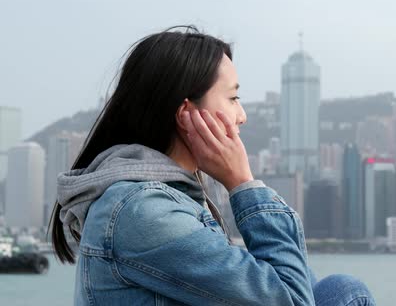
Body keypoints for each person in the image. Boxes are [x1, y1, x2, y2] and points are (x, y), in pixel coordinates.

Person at [49, 25, 376, 306]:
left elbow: (295, 286)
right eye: (233, 98)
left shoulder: (160, 199)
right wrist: (243, 184)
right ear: (186, 114)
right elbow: (291, 298)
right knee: (346, 292)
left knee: (338, 290)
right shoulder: (143, 211)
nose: (242, 115)